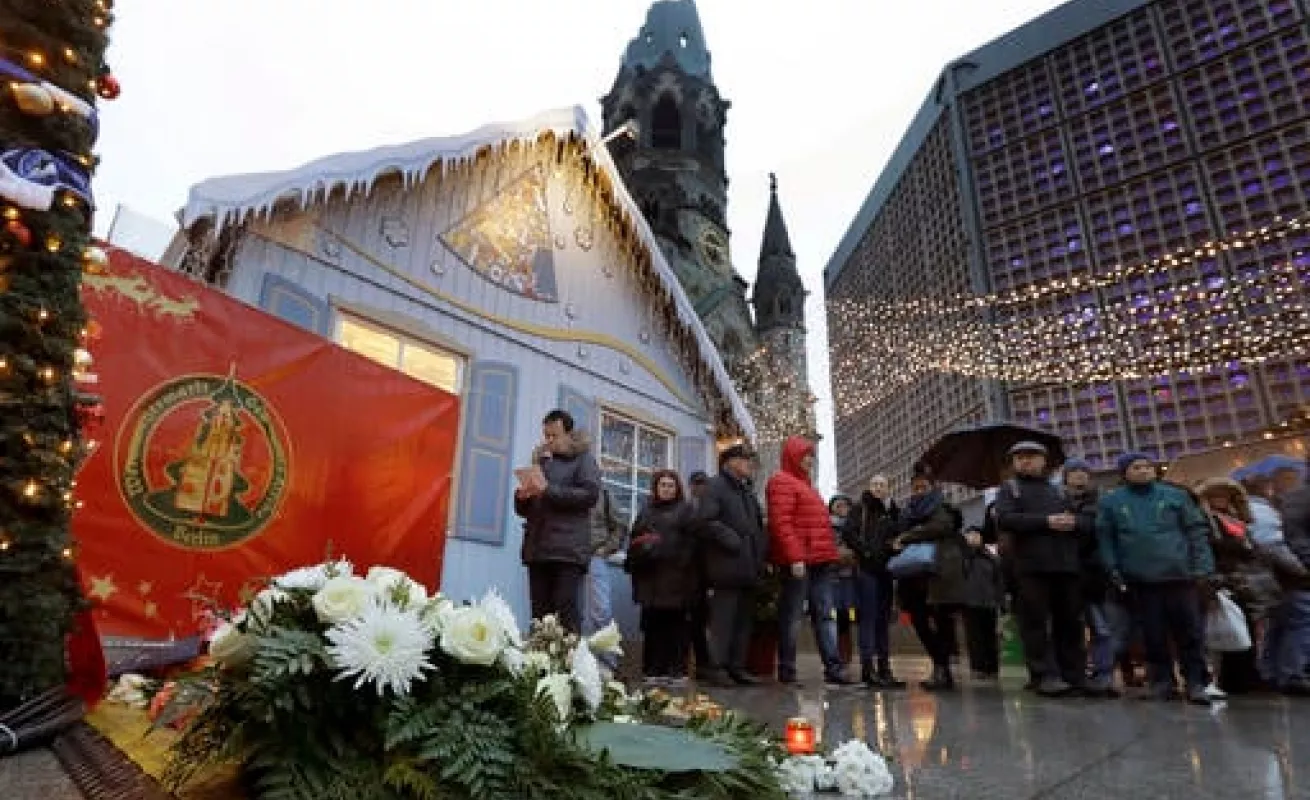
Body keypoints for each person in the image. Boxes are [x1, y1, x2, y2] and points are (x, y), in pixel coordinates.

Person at [1097, 453, 1216, 705]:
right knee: (1152, 634)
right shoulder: (1111, 502)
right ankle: (1162, 682)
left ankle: (1196, 682)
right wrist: (1114, 570)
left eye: (1147, 466)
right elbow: (1106, 538)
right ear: (1124, 473)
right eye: (1136, 467)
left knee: (1190, 633)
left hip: (1179, 577)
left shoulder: (1175, 495)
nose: (1143, 471)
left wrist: (1203, 567)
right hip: (1140, 579)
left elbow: (1196, 530)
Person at [994, 441, 1087, 697]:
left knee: (1069, 622)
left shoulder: (1059, 491)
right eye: (1020, 457)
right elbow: (1005, 519)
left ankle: (1074, 674)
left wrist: (1073, 522)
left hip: (1065, 565)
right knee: (1035, 622)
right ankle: (1043, 674)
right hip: (1031, 567)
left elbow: (1085, 520)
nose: (1026, 461)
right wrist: (1046, 522)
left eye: (1032, 457)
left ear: (1044, 461)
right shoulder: (1010, 489)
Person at [769, 436, 853, 687]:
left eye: (812, 456)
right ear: (793, 455)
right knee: (792, 617)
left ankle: (834, 669)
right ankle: (787, 670)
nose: (809, 460)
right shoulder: (781, 481)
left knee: (825, 616)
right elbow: (780, 523)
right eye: (805, 455)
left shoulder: (808, 486)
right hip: (800, 562)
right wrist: (795, 557)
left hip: (821, 562)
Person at [1194, 478, 1283, 696]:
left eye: (1224, 496)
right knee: (1235, 628)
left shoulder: (1235, 519)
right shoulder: (1208, 523)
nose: (1221, 500)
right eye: (1215, 496)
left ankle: (1247, 675)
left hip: (1247, 579)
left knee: (1249, 629)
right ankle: (1235, 678)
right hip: (1228, 579)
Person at [515, 409, 601, 633]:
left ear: (569, 434)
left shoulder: (584, 460)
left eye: (554, 435)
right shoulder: (542, 463)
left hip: (568, 551)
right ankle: (540, 665)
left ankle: (570, 665)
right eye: (546, 436)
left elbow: (590, 496)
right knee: (540, 615)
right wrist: (522, 497)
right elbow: (526, 510)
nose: (549, 441)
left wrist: (549, 490)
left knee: (565, 611)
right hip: (538, 549)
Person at [691, 444, 768, 686]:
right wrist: (732, 540)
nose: (749, 464)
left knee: (743, 620)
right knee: (723, 619)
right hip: (725, 565)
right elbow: (704, 521)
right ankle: (717, 667)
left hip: (747, 566)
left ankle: (736, 666)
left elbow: (756, 526)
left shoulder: (745, 491)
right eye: (744, 459)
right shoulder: (715, 487)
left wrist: (759, 554)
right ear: (729, 462)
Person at [893, 464, 969, 691]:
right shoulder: (907, 511)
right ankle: (939, 663)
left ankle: (942, 670)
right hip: (913, 576)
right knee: (919, 622)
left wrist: (907, 536)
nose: (919, 491)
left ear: (933, 487)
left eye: (923, 487)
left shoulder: (943, 507)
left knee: (943, 622)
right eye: (915, 488)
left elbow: (940, 526)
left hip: (939, 573)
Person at [626, 470, 697, 685]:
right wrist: (643, 549)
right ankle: (652, 670)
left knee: (676, 628)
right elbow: (634, 540)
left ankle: (677, 670)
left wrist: (676, 557)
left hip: (677, 579)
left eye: (671, 485)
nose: (666, 489)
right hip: (651, 578)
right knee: (653, 626)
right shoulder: (646, 512)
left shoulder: (686, 511)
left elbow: (693, 543)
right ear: (656, 487)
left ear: (677, 489)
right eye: (663, 485)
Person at [842, 474, 906, 688]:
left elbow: (901, 533)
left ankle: (885, 669)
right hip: (866, 570)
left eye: (882, 485)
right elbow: (849, 533)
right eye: (875, 484)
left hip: (886, 571)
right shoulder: (860, 508)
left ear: (889, 488)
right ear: (869, 487)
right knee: (868, 619)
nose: (878, 488)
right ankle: (868, 670)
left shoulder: (893, 510)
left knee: (883, 620)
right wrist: (866, 552)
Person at [1064, 459, 1117, 696]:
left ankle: (1104, 674)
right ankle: (1075, 674)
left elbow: (1094, 529)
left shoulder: (1102, 501)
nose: (1078, 476)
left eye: (1083, 472)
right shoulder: (1056, 502)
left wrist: (1073, 522)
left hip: (1095, 573)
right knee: (1070, 628)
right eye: (1073, 472)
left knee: (1101, 628)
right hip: (1067, 573)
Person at [1274, 466, 1310, 695]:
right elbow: (1296, 537)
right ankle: (1293, 674)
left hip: (1297, 571)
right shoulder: (1300, 498)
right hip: (1300, 574)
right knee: (1302, 623)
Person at [584, 486, 626, 668]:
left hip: (594, 556)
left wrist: (607, 548)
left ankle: (608, 665)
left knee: (601, 610)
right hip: (568, 556)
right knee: (570, 611)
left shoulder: (604, 493)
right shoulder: (565, 488)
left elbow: (620, 524)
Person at [960, 524, 1003, 681]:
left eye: (976, 535)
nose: (973, 537)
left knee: (990, 636)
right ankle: (978, 667)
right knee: (974, 636)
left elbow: (999, 581)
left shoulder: (991, 558)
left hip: (989, 602)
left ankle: (992, 667)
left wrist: (1000, 601)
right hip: (970, 603)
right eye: (969, 535)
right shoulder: (963, 557)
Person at [685, 471, 712, 679]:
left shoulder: (711, 509)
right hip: (687, 572)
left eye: (702, 484)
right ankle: (692, 664)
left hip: (706, 573)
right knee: (691, 622)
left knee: (702, 621)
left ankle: (704, 664)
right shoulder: (686, 509)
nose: (699, 488)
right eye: (696, 484)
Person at [829, 495, 858, 667]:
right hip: (832, 578)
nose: (842, 508)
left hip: (850, 578)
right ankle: (836, 656)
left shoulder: (854, 525)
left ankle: (846, 656)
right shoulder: (826, 525)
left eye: (845, 505)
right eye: (838, 505)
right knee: (833, 617)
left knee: (848, 616)